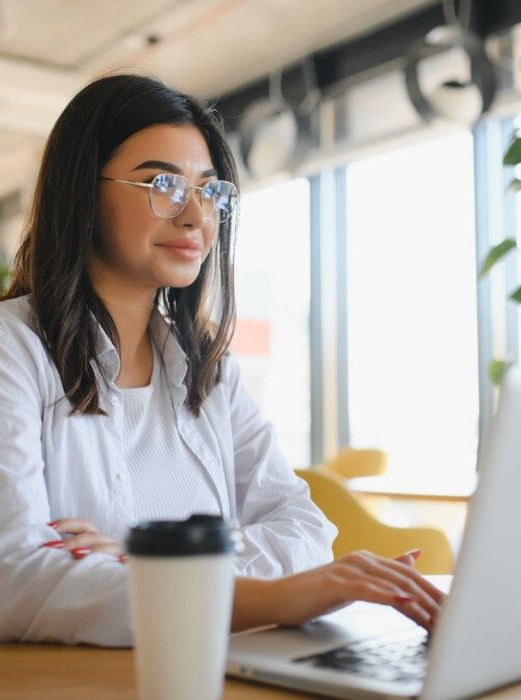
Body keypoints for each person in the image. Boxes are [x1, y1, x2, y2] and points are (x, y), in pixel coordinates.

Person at [0, 74, 442, 647]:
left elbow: (306, 533)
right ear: (83, 191)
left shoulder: (210, 371)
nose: (195, 217)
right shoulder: (14, 350)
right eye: (162, 182)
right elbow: (17, 579)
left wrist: (147, 554)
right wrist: (266, 594)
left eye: (210, 191)